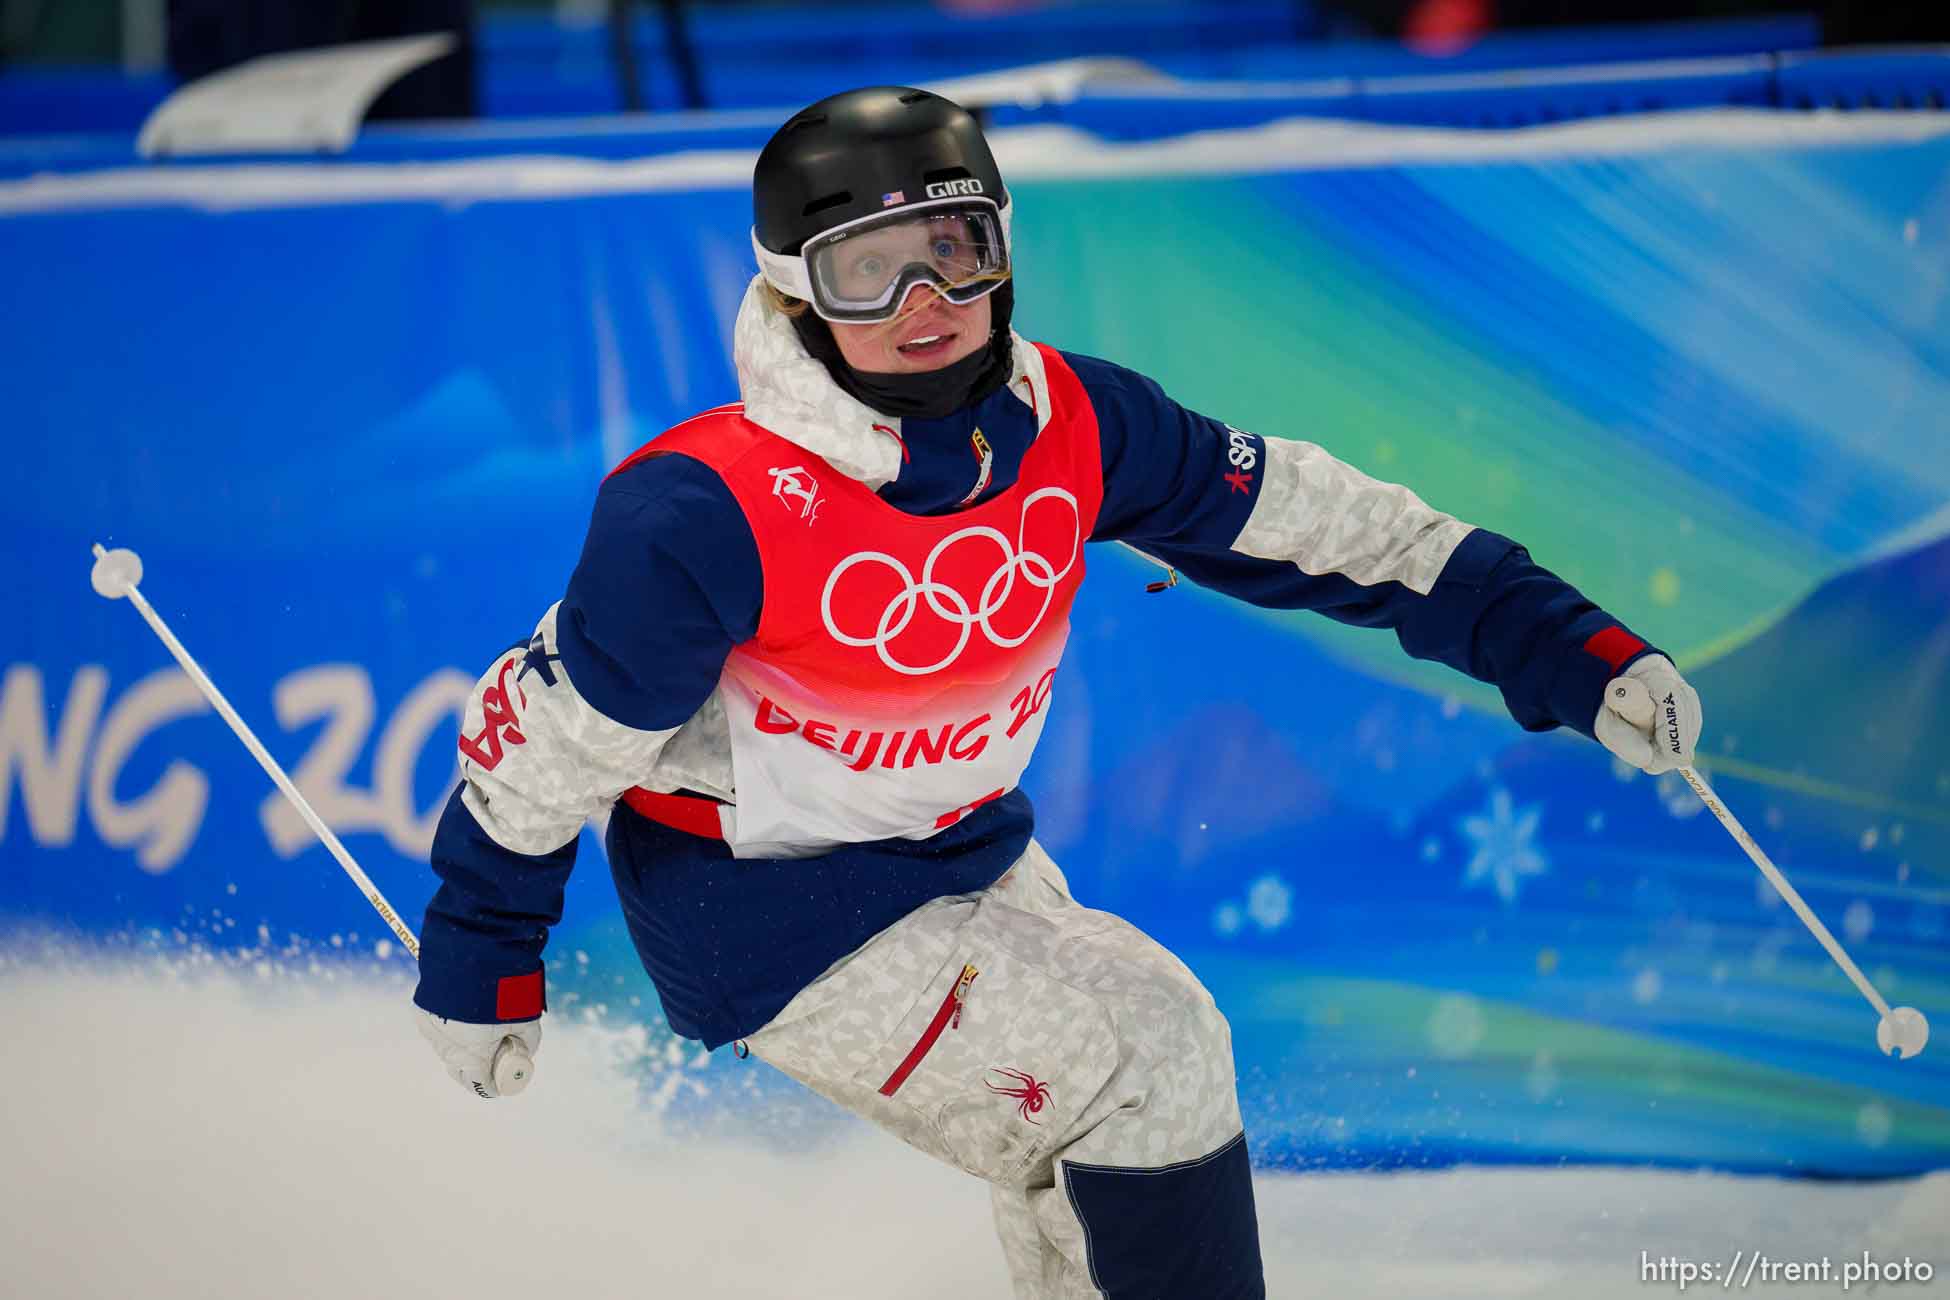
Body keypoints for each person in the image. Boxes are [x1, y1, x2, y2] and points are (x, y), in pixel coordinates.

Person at [410, 86, 1704, 1299]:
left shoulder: (1074, 423)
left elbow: (1316, 524)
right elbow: (550, 745)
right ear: (795, 295)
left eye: (955, 247)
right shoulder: (707, 508)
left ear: (1002, 248)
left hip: (958, 854)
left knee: (1099, 1130)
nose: (924, 298)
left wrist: (1561, 648)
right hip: (762, 905)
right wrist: (482, 956)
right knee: (1150, 1052)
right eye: (870, 270)